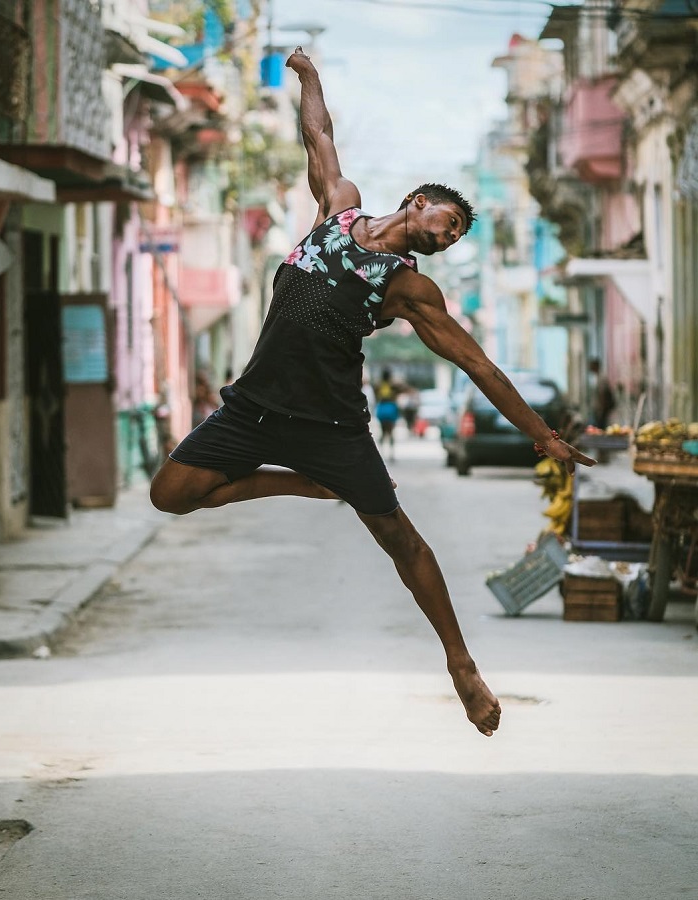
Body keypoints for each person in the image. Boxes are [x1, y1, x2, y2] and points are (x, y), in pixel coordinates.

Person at [150, 48, 596, 738]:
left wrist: (539, 433)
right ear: (416, 201)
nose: (446, 235)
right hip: (253, 405)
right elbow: (318, 137)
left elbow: (477, 365)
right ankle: (301, 484)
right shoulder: (336, 209)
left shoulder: (406, 285)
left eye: (452, 236)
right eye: (446, 220)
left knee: (398, 538)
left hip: (330, 423)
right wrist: (309, 77)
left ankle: (460, 664)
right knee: (170, 493)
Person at [374, 367, 402, 461]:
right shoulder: (393, 385)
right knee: (391, 431)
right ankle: (391, 453)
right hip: (391, 408)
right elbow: (402, 389)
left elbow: (376, 397)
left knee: (383, 431)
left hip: (382, 408)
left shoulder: (378, 385)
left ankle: (381, 452)